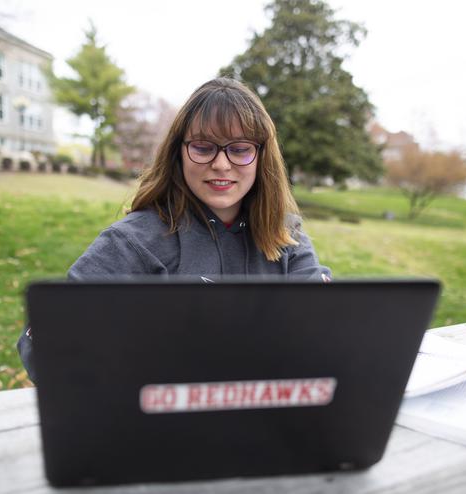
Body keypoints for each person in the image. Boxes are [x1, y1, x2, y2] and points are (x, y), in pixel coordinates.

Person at [18, 77, 331, 380]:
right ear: (179, 152)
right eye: (204, 146)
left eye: (239, 149)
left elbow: (322, 337)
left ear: (261, 157)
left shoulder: (287, 236)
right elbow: (42, 342)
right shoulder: (135, 241)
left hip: (268, 422)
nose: (221, 164)